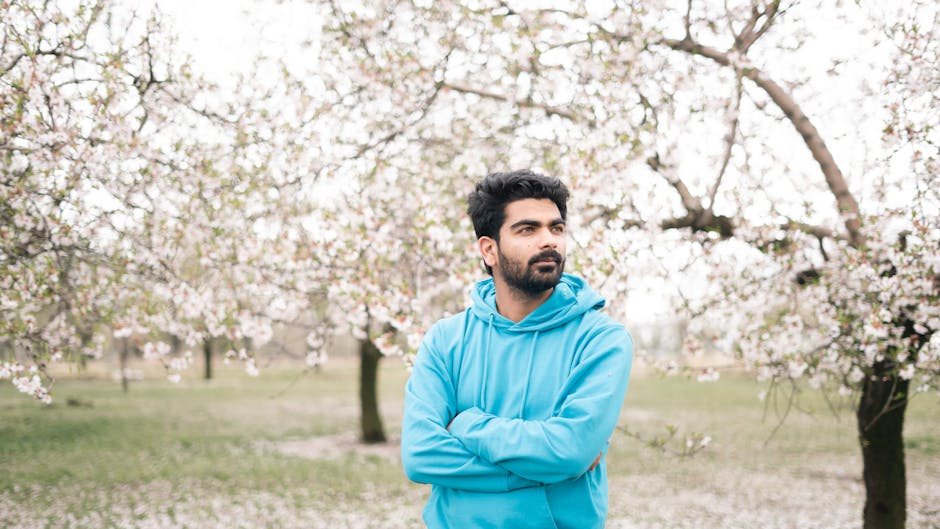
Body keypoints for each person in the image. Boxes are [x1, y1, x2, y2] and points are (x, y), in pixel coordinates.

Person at [401, 169, 634, 528]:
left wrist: (468, 424)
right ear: (489, 249)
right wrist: (542, 472)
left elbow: (570, 451)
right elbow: (420, 456)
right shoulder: (445, 340)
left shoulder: (601, 339)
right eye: (528, 229)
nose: (549, 241)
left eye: (556, 228)